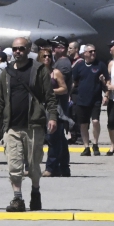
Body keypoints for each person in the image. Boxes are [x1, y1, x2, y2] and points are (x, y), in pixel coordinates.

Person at [0, 37, 58, 213]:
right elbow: (1, 102)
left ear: (27, 49)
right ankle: (17, 199)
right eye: (15, 49)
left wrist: (53, 117)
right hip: (11, 126)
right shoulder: (6, 73)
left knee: (34, 166)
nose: (17, 52)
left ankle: (35, 191)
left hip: (34, 125)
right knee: (14, 165)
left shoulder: (39, 70)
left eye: (21, 48)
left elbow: (49, 97)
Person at [72, 44, 108, 155]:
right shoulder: (79, 66)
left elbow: (107, 82)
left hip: (95, 99)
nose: (93, 53)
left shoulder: (100, 65)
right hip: (82, 99)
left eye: (94, 51)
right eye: (90, 51)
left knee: (95, 121)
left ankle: (95, 144)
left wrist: (106, 95)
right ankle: (86, 146)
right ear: (85, 54)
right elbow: (74, 82)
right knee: (83, 124)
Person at [43, 47, 71, 177]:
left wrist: (50, 92)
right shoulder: (35, 73)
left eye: (49, 56)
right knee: (59, 139)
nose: (47, 58)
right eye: (44, 56)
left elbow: (64, 89)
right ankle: (64, 167)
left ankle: (51, 168)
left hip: (55, 109)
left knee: (53, 138)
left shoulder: (56, 73)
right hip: (40, 109)